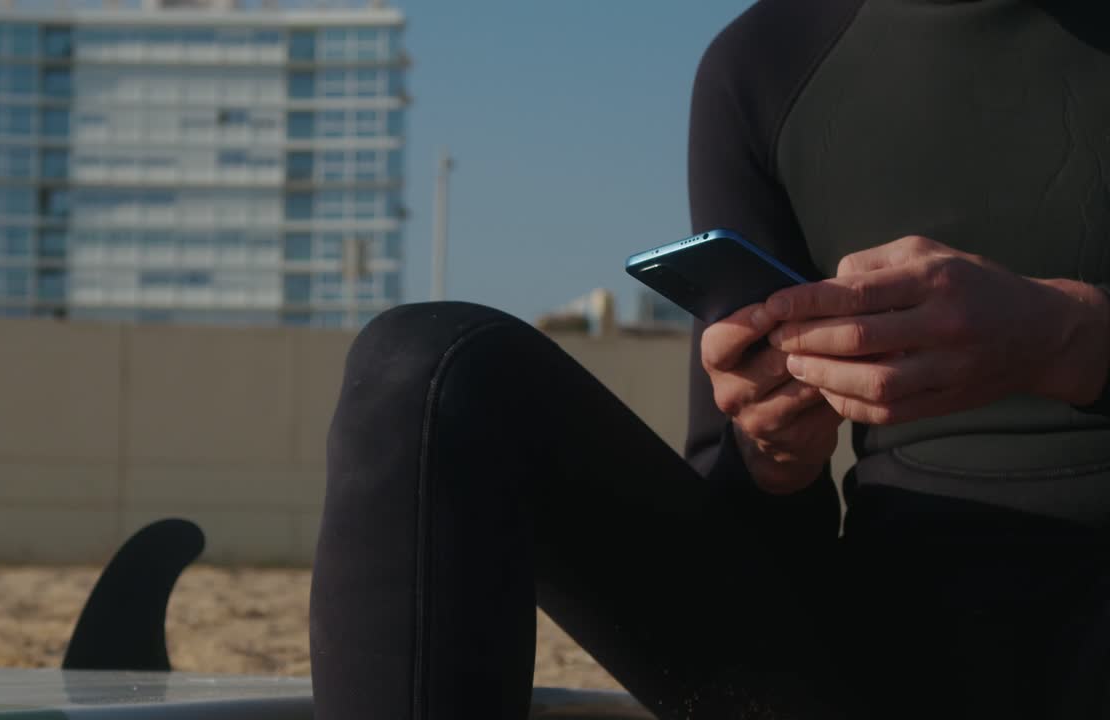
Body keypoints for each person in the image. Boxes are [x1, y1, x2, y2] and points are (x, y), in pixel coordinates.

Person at [308, 0, 1110, 717]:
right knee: (423, 369)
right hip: (875, 652)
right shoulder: (767, 60)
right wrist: (772, 457)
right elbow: (747, 526)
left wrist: (1068, 337)